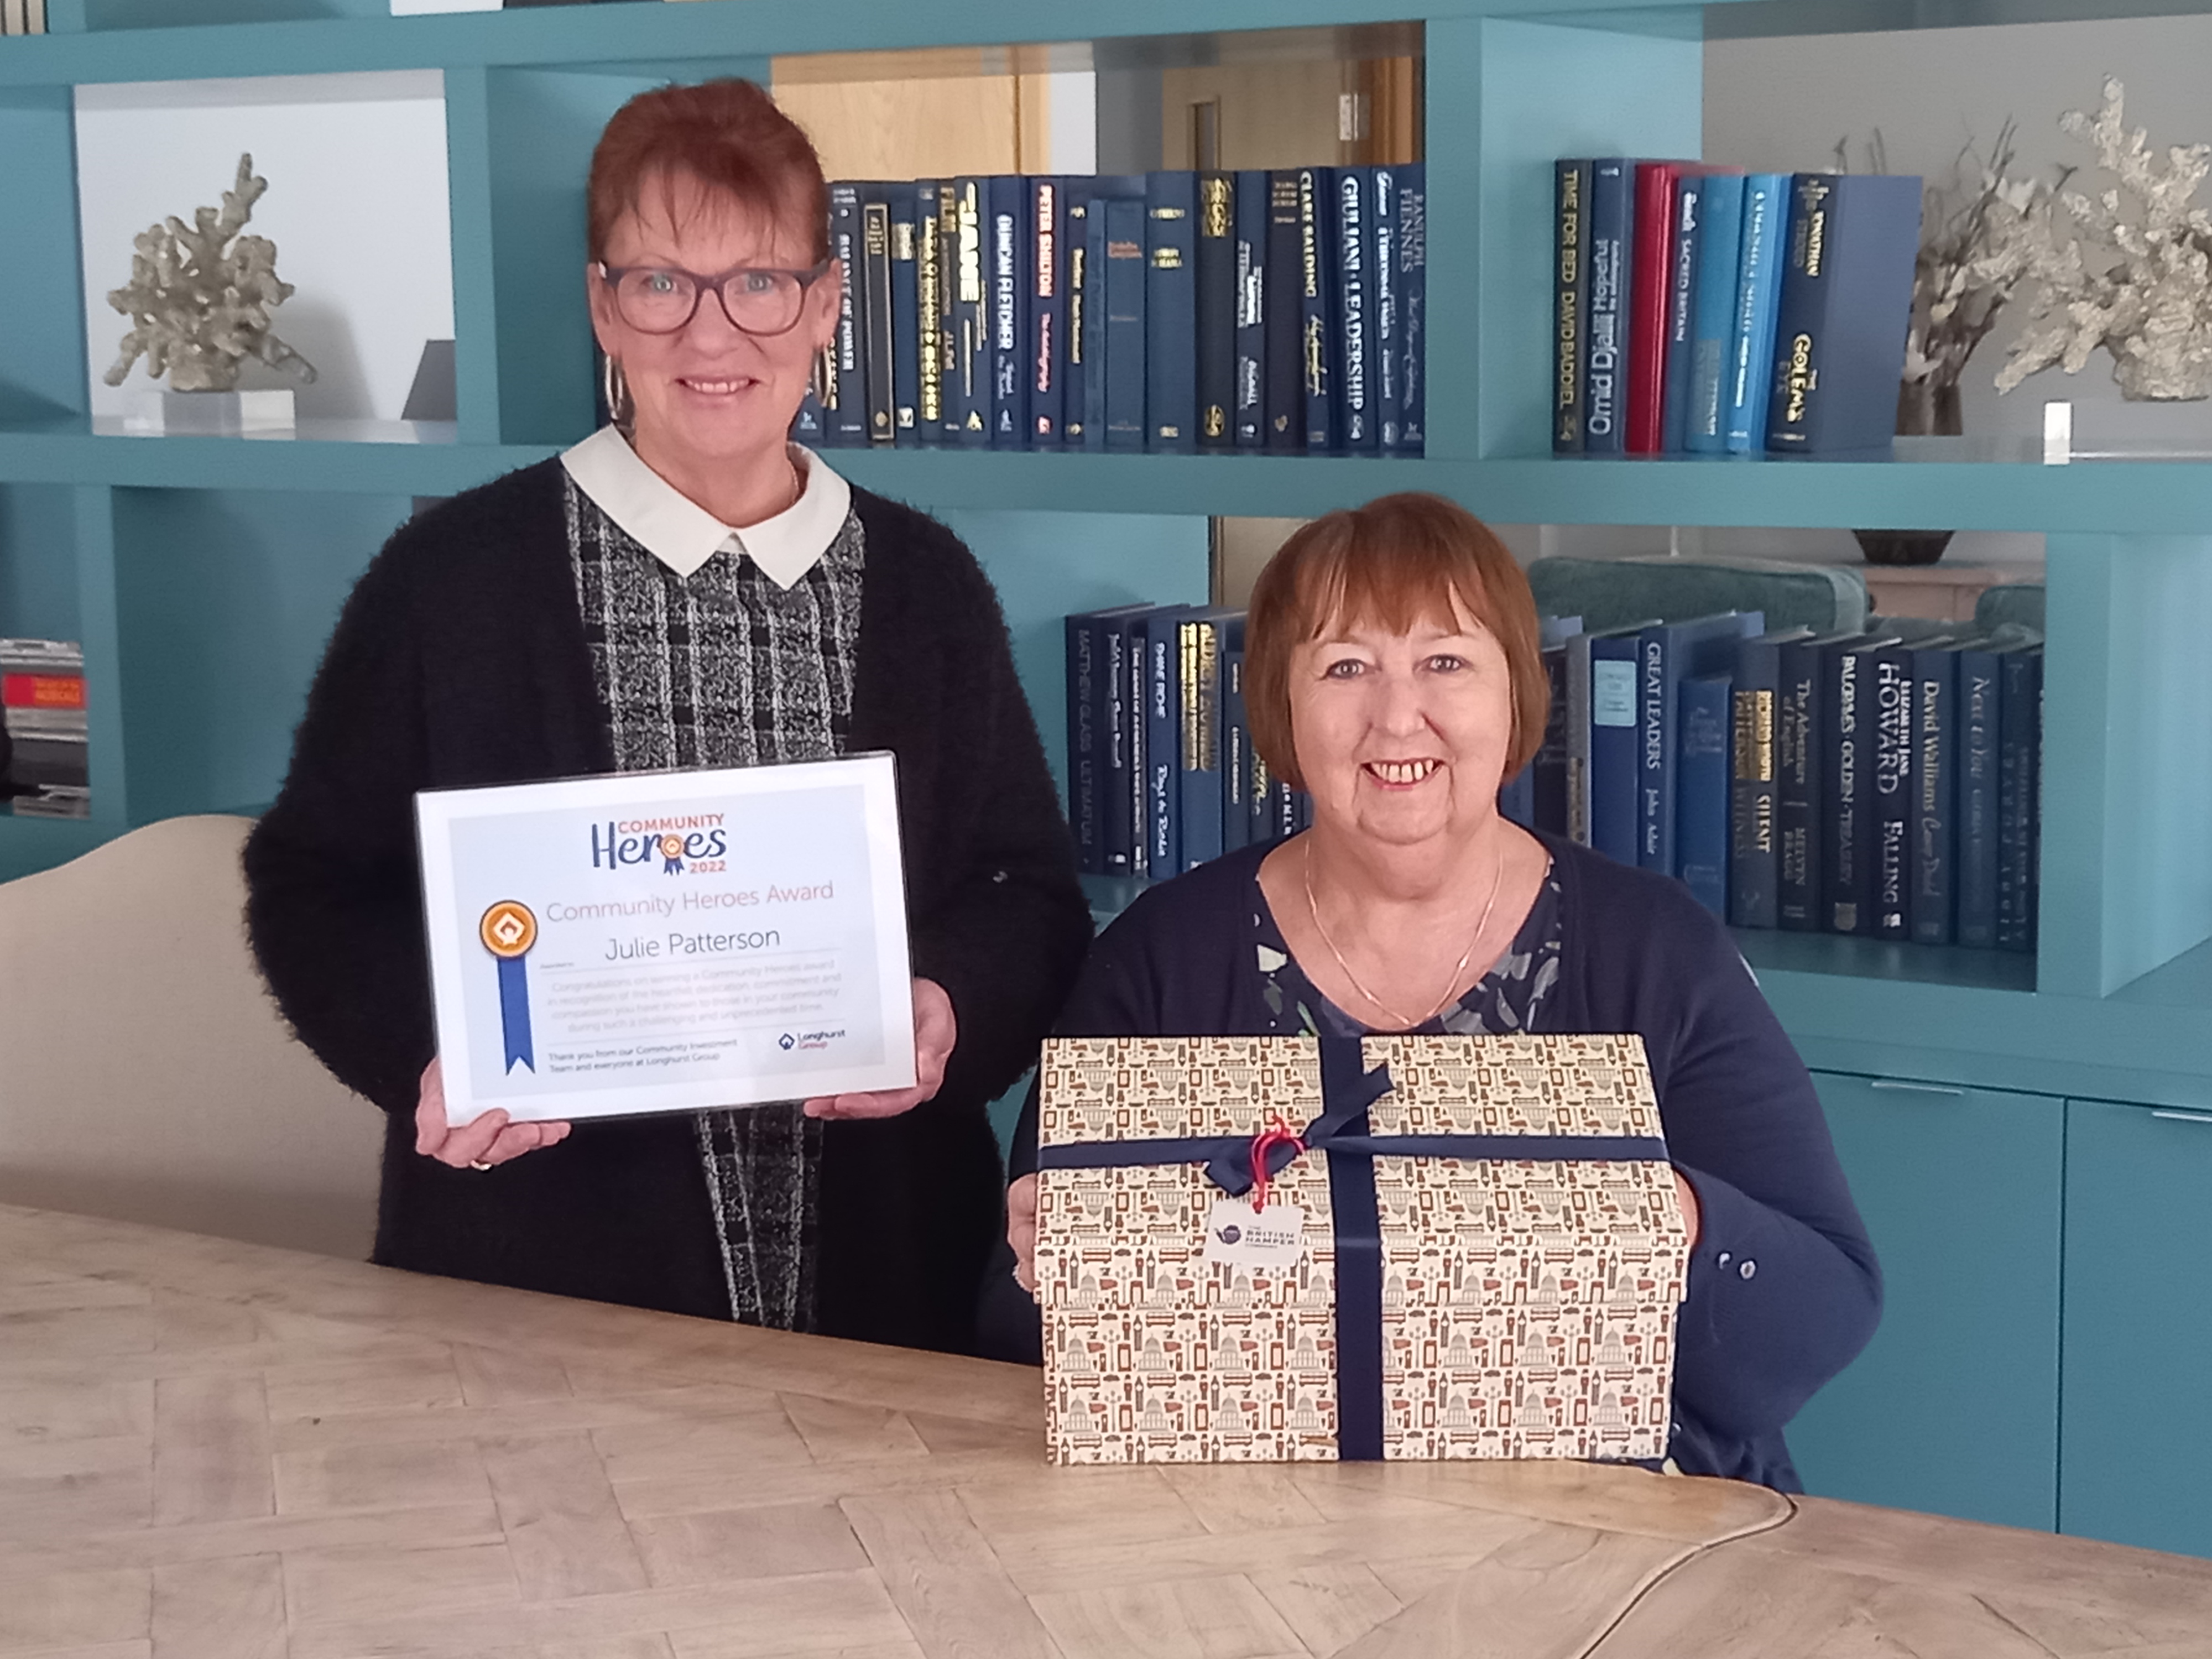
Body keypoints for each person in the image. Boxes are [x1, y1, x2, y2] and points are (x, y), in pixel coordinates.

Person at [245, 80, 1089, 1354]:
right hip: (534, 1282)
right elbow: (312, 885)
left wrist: (946, 1007)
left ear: (823, 308)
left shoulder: (925, 589)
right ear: (603, 305)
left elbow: (1024, 889)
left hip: (881, 1276)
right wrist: (437, 1052)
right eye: (661, 283)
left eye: (759, 283)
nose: (713, 333)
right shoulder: (453, 583)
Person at [991, 493, 1880, 1489]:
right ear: (1282, 710)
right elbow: (1018, 1332)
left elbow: (1822, 1318)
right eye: (1345, 667)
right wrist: (1065, 1266)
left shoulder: (1656, 949)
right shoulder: (1163, 954)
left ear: (1515, 695)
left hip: (1621, 1519)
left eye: (1445, 661)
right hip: (1243, 1520)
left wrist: (1672, 1217)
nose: (1396, 714)